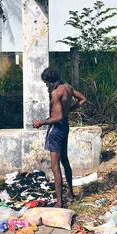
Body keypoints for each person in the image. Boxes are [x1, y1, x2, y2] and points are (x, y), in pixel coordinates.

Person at [33, 68, 87, 207]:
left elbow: (57, 117)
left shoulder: (56, 93)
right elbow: (82, 99)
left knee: (55, 166)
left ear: (50, 81)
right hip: (65, 127)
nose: (46, 85)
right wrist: (69, 109)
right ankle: (70, 193)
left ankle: (59, 202)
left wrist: (41, 122)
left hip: (56, 129)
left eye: (46, 82)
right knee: (65, 161)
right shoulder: (68, 87)